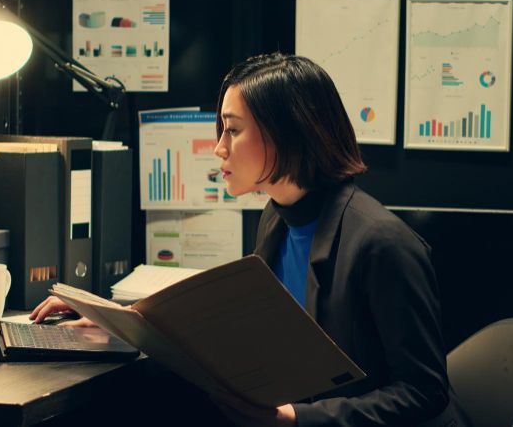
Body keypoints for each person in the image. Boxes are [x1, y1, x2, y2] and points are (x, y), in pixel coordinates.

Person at [32, 52, 466, 426]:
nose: (218, 147)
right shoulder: (276, 217)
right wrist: (119, 320)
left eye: (233, 130)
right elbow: (237, 323)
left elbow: (424, 391)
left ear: (285, 133)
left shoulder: (382, 243)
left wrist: (299, 419)